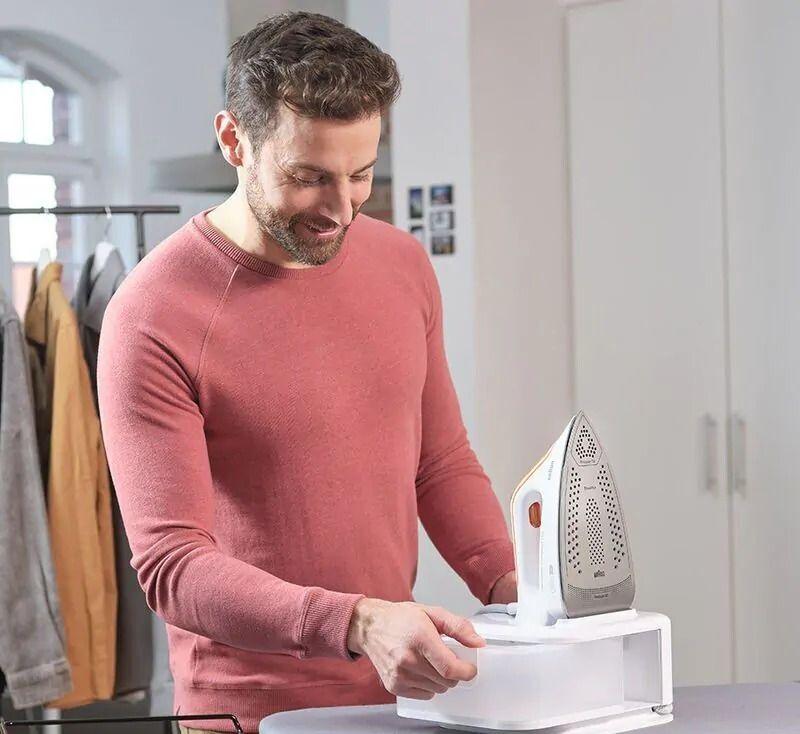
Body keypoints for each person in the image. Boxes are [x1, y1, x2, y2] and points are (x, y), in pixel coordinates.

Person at [97, 11, 516, 734]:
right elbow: (172, 564)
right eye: (308, 177)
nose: (342, 208)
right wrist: (356, 622)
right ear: (234, 140)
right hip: (247, 714)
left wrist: (515, 586)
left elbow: (439, 461)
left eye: (361, 174)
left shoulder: (402, 264)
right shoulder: (152, 314)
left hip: (399, 700)